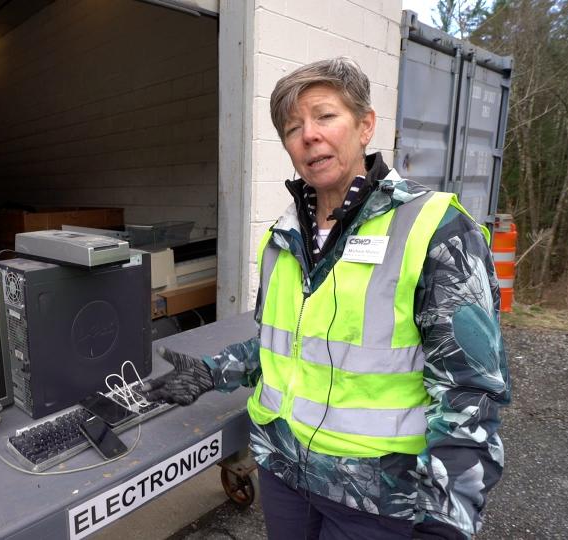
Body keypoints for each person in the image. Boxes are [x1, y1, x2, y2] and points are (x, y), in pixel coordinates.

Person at [141, 57, 511, 540]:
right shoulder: (283, 237)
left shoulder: (435, 229)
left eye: (325, 116)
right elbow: (288, 346)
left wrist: (447, 514)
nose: (308, 135)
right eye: (293, 127)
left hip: (379, 497)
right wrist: (214, 371)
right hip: (284, 472)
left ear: (365, 126)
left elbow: (471, 390)